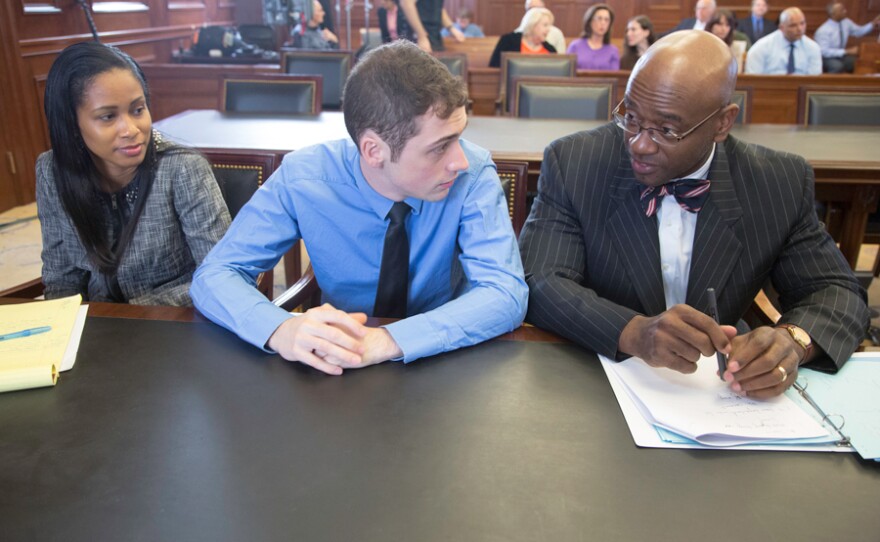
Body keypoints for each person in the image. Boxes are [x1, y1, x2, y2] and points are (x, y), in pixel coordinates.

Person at [519, 30, 867, 399]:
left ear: (722, 123)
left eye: (668, 129)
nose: (639, 143)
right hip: (593, 380)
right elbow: (539, 280)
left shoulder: (777, 182)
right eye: (631, 117)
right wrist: (632, 331)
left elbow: (836, 292)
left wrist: (793, 340)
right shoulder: (576, 162)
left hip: (720, 395)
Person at [191, 41, 528, 376]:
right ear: (373, 150)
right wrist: (280, 329)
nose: (460, 160)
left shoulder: (473, 174)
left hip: (445, 360)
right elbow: (215, 275)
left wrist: (387, 340)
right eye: (440, 148)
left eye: (459, 136)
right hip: (336, 369)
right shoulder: (305, 177)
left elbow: (505, 293)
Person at [37, 41, 230, 306]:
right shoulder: (52, 171)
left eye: (138, 110)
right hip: (99, 329)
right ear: (71, 124)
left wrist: (132, 313)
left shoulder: (182, 168)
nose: (130, 129)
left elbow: (222, 278)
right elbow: (62, 280)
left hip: (177, 323)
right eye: (107, 117)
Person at [745, 7, 821, 75]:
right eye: (793, 25)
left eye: (802, 23)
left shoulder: (813, 48)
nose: (799, 29)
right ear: (781, 27)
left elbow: (814, 81)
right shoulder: (761, 47)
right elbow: (753, 79)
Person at [814, 1, 880, 73]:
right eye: (842, 10)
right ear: (833, 14)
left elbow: (859, 32)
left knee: (857, 62)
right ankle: (829, 83)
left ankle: (853, 83)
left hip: (842, 55)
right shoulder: (823, 30)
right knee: (837, 66)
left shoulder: (846, 22)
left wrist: (872, 24)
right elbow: (824, 52)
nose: (845, 11)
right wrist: (846, 51)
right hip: (827, 57)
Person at [489, 7, 557, 68]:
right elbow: (494, 68)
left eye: (549, 26)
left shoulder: (551, 50)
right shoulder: (508, 41)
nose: (548, 29)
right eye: (545, 25)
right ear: (532, 25)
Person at [566, 4, 620, 71]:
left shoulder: (613, 50)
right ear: (590, 21)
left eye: (606, 20)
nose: (603, 23)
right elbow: (567, 72)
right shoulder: (575, 46)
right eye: (599, 18)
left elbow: (615, 77)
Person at [399, 0, 464, 52]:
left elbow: (439, 8)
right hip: (418, 38)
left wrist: (451, 28)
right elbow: (407, 3)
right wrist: (421, 36)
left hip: (434, 37)